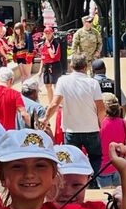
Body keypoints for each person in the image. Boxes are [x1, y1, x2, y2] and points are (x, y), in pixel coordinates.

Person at [44, 56, 105, 187]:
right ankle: (92, 182)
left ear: (71, 66)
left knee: (71, 159)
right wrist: (101, 123)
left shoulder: (63, 81)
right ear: (86, 67)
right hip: (91, 128)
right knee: (95, 157)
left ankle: (73, 184)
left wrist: (45, 119)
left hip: (71, 129)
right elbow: (100, 108)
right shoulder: (93, 83)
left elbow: (54, 104)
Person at [96, 94, 126, 188]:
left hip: (103, 167)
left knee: (106, 197)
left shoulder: (99, 123)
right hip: (119, 165)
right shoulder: (123, 122)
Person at [38, 26, 65, 103]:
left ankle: (59, 103)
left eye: (49, 33)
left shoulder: (55, 43)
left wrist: (48, 45)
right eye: (46, 33)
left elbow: (52, 55)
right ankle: (51, 103)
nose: (47, 35)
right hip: (46, 66)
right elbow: (43, 57)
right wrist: (40, 70)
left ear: (52, 33)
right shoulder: (43, 43)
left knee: (56, 86)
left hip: (55, 65)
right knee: (47, 85)